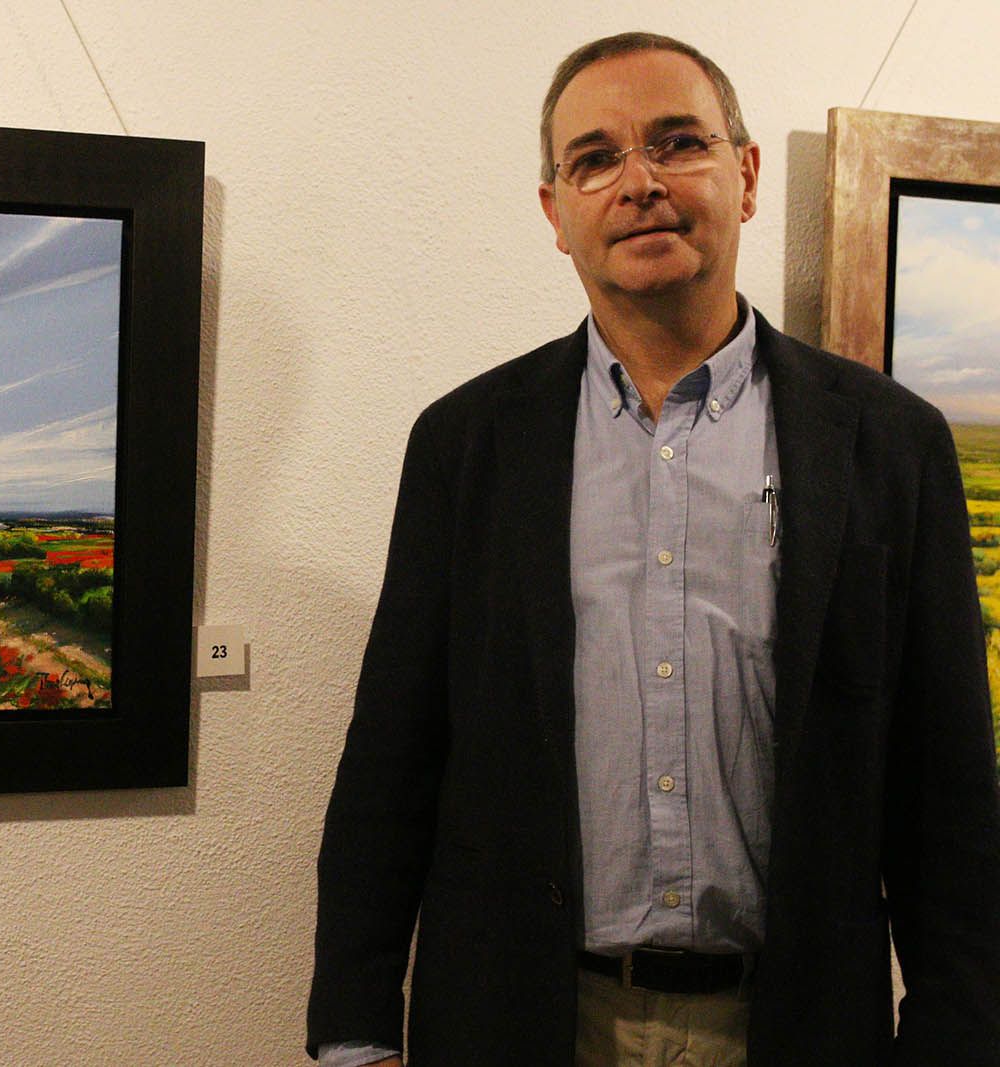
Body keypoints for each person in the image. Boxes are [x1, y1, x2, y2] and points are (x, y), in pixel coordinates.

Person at [307, 30, 1000, 1066]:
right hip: (523, 1019)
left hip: (795, 1026)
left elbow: (946, 782)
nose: (639, 183)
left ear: (746, 174)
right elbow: (393, 756)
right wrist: (354, 1029)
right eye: (594, 159)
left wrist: (958, 1030)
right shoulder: (466, 444)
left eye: (677, 143)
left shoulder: (889, 443)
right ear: (555, 212)